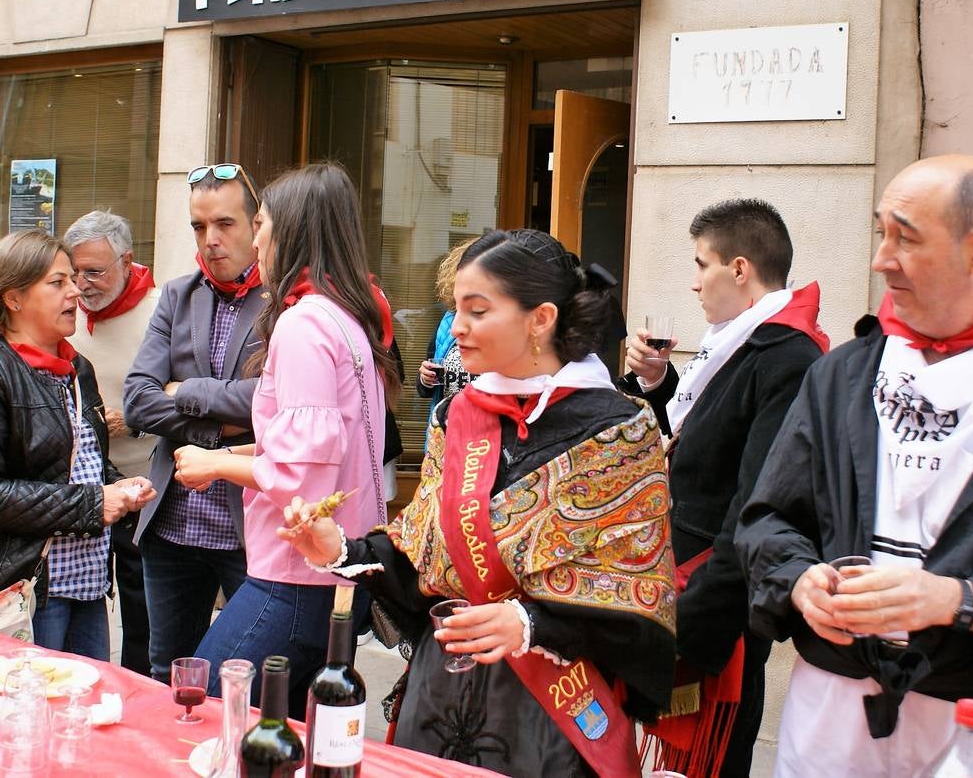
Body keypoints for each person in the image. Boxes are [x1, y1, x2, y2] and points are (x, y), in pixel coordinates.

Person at [735, 154, 973, 777]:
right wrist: (801, 579)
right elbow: (767, 521)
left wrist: (955, 599)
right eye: (880, 231)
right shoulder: (842, 376)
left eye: (905, 238)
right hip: (832, 705)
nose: (880, 258)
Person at [279, 228, 677, 776]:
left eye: (477, 310)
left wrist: (531, 623)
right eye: (455, 309)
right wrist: (340, 550)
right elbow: (423, 557)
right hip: (439, 695)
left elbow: (637, 599)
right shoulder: (456, 415)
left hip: (548, 716)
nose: (456, 328)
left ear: (540, 319)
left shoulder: (619, 431)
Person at [172, 162, 399, 714]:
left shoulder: (304, 324)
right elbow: (315, 445)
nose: (256, 235)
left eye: (263, 221)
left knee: (201, 710)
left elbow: (299, 472)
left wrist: (217, 466)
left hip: (296, 576)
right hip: (335, 570)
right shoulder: (347, 316)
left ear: (292, 231)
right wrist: (223, 454)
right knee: (286, 734)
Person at [619, 199, 828, 777]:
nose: (694, 283)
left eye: (701, 264)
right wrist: (662, 386)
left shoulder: (787, 353)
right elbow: (707, 440)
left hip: (719, 592)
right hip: (694, 578)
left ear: (739, 269)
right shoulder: (744, 341)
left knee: (713, 757)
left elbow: (759, 496)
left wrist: (693, 621)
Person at [0, 230, 156, 658]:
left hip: (87, 584)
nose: (75, 291)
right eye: (58, 283)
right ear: (13, 298)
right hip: (22, 588)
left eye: (73, 280)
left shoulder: (77, 366)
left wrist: (121, 486)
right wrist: (94, 504)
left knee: (82, 713)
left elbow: (81, 461)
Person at [123, 164, 267, 682]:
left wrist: (185, 391)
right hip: (172, 526)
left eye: (225, 224)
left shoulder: (287, 302)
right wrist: (216, 431)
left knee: (254, 678)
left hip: (249, 527)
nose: (211, 240)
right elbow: (138, 401)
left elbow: (273, 404)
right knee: (169, 674)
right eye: (199, 227)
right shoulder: (178, 295)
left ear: (257, 224)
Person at [65, 210, 159, 676]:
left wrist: (135, 420)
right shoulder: (64, 311)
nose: (82, 284)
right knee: (82, 608)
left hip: (143, 485)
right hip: (79, 490)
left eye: (95, 272)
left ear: (126, 261)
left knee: (142, 615)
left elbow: (186, 391)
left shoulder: (162, 309)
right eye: (74, 270)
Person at [416, 239, 476, 421]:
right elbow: (426, 388)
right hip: (445, 433)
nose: (457, 329)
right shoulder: (448, 320)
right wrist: (425, 378)